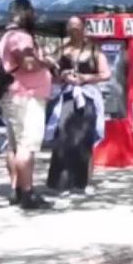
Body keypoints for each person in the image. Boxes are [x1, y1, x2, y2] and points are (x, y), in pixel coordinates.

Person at [0, 0, 56, 210]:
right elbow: (28, 63)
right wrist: (47, 62)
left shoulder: (6, 36)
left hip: (14, 94)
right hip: (27, 95)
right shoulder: (21, 38)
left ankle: (17, 188)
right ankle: (28, 193)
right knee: (26, 146)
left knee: (15, 146)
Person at [48, 16, 110, 195]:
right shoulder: (61, 50)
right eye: (70, 27)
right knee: (64, 138)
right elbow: (51, 74)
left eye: (77, 26)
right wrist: (63, 77)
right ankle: (62, 182)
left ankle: (84, 181)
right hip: (67, 96)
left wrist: (87, 78)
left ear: (83, 28)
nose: (73, 30)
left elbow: (106, 73)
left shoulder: (93, 50)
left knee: (85, 139)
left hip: (87, 96)